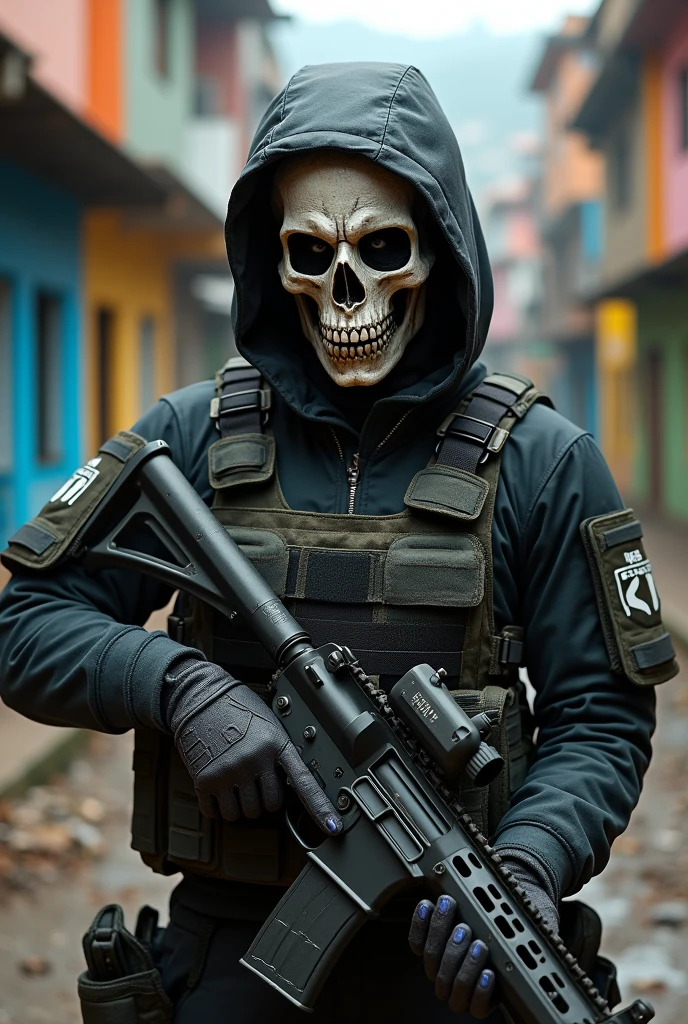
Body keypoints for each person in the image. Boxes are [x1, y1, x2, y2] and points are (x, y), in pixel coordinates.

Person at [0, 63, 676, 1023]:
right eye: (309, 254)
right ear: (272, 263)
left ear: (439, 251)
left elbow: (603, 720)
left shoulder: (545, 461)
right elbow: (25, 623)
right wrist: (179, 685)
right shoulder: (189, 436)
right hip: (231, 952)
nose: (345, 289)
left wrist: (528, 863)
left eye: (383, 249)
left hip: (455, 971)